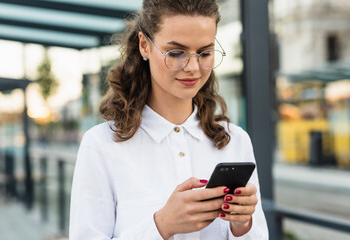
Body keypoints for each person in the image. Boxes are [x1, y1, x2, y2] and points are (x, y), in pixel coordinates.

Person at [69, 0, 268, 239]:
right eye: (176, 53)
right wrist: (162, 224)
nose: (193, 67)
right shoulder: (102, 145)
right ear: (144, 45)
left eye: (205, 53)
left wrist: (242, 225)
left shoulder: (235, 141)